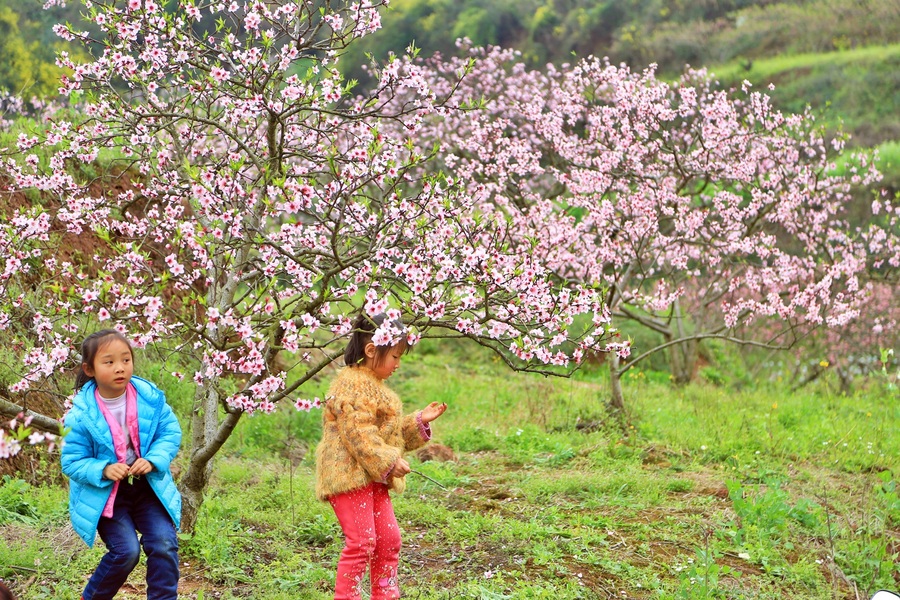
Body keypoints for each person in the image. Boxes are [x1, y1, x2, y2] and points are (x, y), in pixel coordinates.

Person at [315, 313, 447, 600]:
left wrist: (418, 421)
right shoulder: (351, 385)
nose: (398, 364)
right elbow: (359, 434)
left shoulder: (375, 387)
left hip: (372, 476)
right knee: (362, 542)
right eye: (395, 357)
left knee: (388, 541)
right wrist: (388, 461)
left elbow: (386, 434)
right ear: (372, 350)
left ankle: (386, 595)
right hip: (349, 476)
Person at [61, 329, 182, 600]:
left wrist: (152, 460)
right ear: (89, 369)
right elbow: (71, 462)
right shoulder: (80, 415)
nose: (120, 368)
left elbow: (169, 433)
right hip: (106, 495)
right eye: (109, 361)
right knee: (125, 552)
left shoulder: (149, 398)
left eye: (126, 360)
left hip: (148, 487)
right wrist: (102, 469)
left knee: (163, 543)